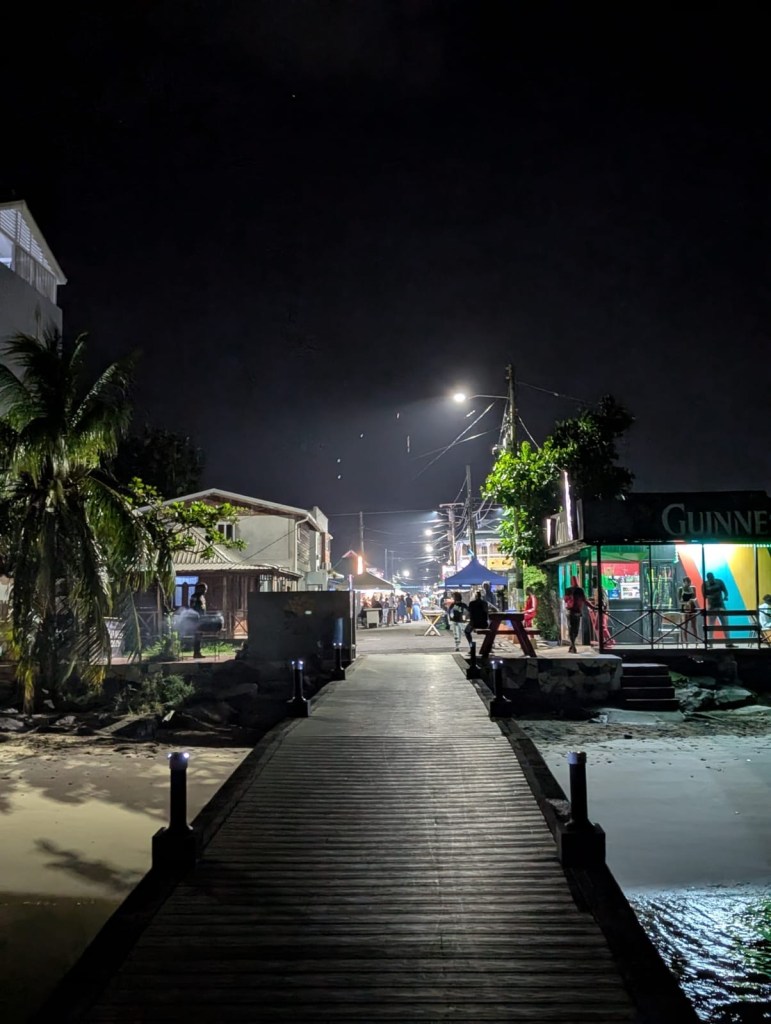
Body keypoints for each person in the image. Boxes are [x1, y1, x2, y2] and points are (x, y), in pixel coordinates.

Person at [702, 572, 730, 645]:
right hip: (712, 607)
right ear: (708, 578)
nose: (711, 579)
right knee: (711, 625)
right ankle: (710, 642)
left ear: (713, 577)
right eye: (710, 578)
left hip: (721, 606)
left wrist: (726, 596)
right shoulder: (704, 584)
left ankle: (728, 642)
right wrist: (711, 597)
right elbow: (704, 596)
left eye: (712, 578)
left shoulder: (719, 582)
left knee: (725, 624)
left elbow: (725, 591)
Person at [588, 575, 614, 649]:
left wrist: (597, 606)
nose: (592, 583)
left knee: (602, 626)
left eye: (593, 582)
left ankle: (609, 640)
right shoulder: (598, 589)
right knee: (598, 626)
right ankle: (604, 641)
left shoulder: (600, 589)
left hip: (602, 611)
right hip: (600, 610)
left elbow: (603, 600)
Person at [563, 575, 587, 654]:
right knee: (575, 629)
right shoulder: (581, 590)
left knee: (571, 628)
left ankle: (572, 646)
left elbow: (565, 600)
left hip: (570, 611)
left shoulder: (568, 590)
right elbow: (585, 600)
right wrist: (593, 607)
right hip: (577, 611)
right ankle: (573, 646)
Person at [678, 576, 700, 645]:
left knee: (694, 625)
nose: (689, 584)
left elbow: (695, 597)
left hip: (692, 607)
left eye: (689, 582)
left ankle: (697, 640)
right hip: (684, 608)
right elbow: (679, 600)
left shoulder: (693, 588)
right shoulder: (681, 589)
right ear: (684, 582)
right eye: (687, 583)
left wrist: (691, 600)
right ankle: (686, 641)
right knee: (685, 626)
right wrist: (686, 603)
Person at [190, 582, 208, 658]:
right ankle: (196, 652)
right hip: (196, 619)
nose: (205, 590)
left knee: (200, 636)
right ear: (199, 589)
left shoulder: (202, 597)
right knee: (197, 636)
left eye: (206, 589)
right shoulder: (194, 596)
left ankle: (198, 652)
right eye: (204, 589)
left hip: (201, 619)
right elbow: (192, 606)